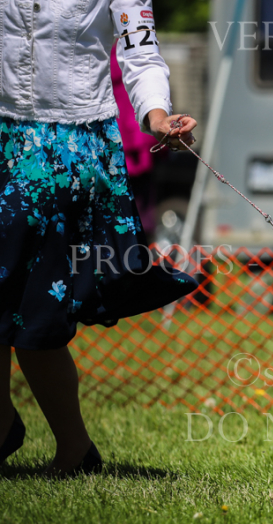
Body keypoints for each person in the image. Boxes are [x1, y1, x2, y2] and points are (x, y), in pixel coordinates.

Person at [0, 0, 199, 475]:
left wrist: (157, 117)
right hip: (4, 136)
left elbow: (140, 52)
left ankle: (71, 447)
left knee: (37, 313)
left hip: (71, 151)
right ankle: (11, 427)